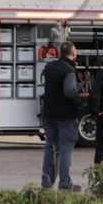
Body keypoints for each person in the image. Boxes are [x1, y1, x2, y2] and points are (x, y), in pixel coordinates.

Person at [40, 42, 81, 191]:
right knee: (65, 149)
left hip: (50, 113)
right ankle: (65, 183)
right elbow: (69, 91)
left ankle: (47, 181)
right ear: (73, 53)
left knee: (50, 147)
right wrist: (79, 88)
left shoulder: (50, 67)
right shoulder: (69, 70)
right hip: (66, 115)